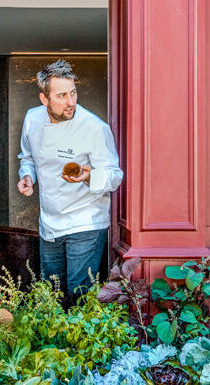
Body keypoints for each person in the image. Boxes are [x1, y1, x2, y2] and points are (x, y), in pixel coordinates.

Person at [16, 59, 123, 302]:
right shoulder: (32, 119)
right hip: (49, 223)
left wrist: (89, 177)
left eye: (73, 93)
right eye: (62, 96)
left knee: (79, 295)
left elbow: (115, 175)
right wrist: (27, 176)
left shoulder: (94, 128)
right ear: (44, 99)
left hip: (86, 220)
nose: (70, 102)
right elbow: (28, 157)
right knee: (51, 295)